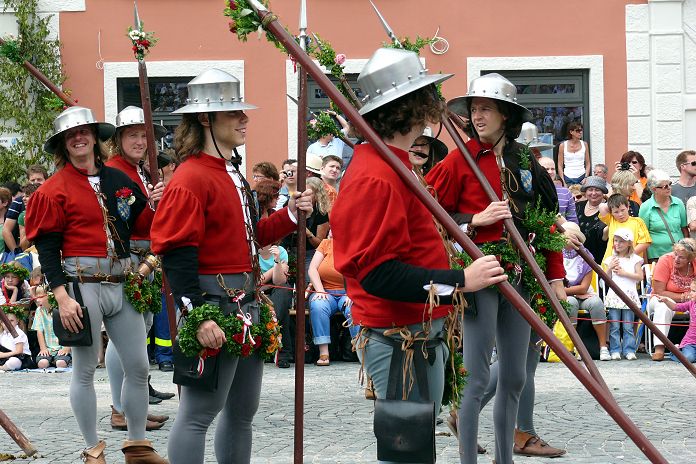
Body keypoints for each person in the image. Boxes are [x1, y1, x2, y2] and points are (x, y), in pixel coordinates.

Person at [331, 48, 506, 463]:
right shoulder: (376, 175)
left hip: (417, 333)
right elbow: (378, 273)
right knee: (405, 454)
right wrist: (462, 280)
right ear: (408, 107)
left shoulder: (394, 163)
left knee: (415, 450)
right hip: (397, 340)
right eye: (425, 95)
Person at [149, 68, 313, 464]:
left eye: (242, 111)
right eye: (232, 113)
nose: (244, 119)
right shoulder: (190, 178)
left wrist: (290, 214)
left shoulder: (234, 173)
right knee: (198, 414)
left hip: (246, 306)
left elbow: (249, 236)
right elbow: (176, 252)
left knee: (242, 414)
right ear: (205, 119)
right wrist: (198, 315)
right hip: (212, 305)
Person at [426, 72, 562, 464]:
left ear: (505, 114)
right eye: (473, 108)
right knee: (477, 377)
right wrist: (474, 219)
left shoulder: (525, 161)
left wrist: (555, 276)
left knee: (516, 377)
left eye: (486, 108)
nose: (477, 115)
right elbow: (430, 215)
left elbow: (543, 221)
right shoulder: (458, 160)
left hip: (521, 276)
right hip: (480, 275)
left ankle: (505, 460)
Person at [25, 105, 165, 463]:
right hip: (80, 286)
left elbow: (141, 226)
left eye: (84, 131)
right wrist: (61, 297)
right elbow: (48, 249)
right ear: (63, 144)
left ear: (95, 136)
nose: (79, 137)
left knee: (138, 366)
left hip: (121, 281)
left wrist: (156, 205)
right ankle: (93, 450)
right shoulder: (53, 190)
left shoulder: (120, 181)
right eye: (71, 135)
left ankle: (137, 447)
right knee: (85, 370)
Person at [104, 105, 171, 431]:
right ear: (119, 139)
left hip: (148, 257)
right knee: (124, 337)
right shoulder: (116, 171)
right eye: (133, 134)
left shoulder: (140, 170)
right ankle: (121, 408)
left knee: (138, 332)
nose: (140, 141)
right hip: (130, 259)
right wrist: (153, 204)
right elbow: (126, 221)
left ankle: (132, 406)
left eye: (144, 135)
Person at [308, 233, 359, 366]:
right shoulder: (325, 243)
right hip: (326, 292)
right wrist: (319, 290)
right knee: (318, 305)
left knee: (353, 307)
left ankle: (360, 349)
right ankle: (323, 353)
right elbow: (312, 269)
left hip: (347, 292)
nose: (331, 231)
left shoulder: (354, 244)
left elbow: (360, 271)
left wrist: (352, 292)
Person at [563, 223, 610, 361]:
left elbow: (584, 287)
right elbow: (557, 287)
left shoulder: (586, 257)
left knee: (596, 303)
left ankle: (603, 347)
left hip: (584, 294)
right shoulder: (556, 256)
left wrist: (573, 291)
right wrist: (575, 292)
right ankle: (572, 347)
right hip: (567, 296)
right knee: (570, 303)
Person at [647, 238, 696, 361]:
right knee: (663, 307)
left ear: (690, 259)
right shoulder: (665, 260)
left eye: (682, 257)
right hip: (663, 298)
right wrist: (683, 297)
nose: (676, 259)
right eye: (675, 254)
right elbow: (659, 291)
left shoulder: (694, 263)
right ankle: (659, 347)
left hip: (691, 300)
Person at [602, 228, 643, 360]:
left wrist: (624, 273)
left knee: (628, 325)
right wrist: (610, 267)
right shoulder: (611, 259)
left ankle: (629, 349)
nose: (617, 244)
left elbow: (639, 276)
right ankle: (615, 349)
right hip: (614, 296)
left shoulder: (635, 259)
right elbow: (605, 279)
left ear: (629, 243)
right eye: (616, 241)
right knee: (614, 325)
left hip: (629, 295)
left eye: (621, 241)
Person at [639, 169, 687, 263]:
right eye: (665, 186)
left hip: (678, 255)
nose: (669, 188)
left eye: (670, 184)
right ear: (654, 189)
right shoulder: (646, 207)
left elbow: (684, 229)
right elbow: (643, 237)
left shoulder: (678, 203)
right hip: (656, 256)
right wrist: (645, 263)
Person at [2, 164, 48, 254]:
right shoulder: (19, 204)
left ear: (46, 180)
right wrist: (17, 254)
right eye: (32, 180)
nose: (35, 182)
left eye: (39, 179)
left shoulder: (52, 201)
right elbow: (6, 230)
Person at [599, 193, 651, 264]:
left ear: (628, 207)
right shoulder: (611, 220)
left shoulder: (638, 221)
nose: (620, 214)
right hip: (611, 263)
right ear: (611, 213)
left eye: (622, 210)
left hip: (631, 263)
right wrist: (613, 201)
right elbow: (601, 206)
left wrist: (627, 255)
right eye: (616, 212)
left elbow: (645, 242)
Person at [654, 280, 696, 362]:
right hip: (690, 342)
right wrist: (666, 301)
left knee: (691, 357)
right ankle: (674, 352)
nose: (690, 293)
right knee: (689, 358)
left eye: (694, 291)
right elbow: (675, 307)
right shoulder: (691, 303)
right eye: (691, 290)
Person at [31, 285, 71, 368]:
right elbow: (39, 331)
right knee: (42, 363)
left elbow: (70, 329)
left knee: (61, 363)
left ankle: (64, 360)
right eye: (36, 298)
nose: (37, 300)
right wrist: (43, 348)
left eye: (41, 297)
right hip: (48, 348)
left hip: (63, 347)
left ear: (51, 296)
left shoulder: (62, 309)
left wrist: (67, 348)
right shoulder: (40, 310)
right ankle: (51, 360)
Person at [576, 176, 609, 264]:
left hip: (599, 259)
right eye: (590, 189)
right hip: (577, 258)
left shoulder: (608, 209)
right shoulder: (578, 206)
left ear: (603, 192)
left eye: (597, 190)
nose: (593, 193)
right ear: (585, 192)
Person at [539, 157, 578, 223]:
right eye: (546, 169)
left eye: (553, 169)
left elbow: (573, 220)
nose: (550, 172)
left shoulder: (566, 192)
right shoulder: (533, 191)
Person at [557, 121, 590, 185]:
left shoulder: (584, 144)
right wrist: (563, 181)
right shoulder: (563, 145)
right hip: (568, 177)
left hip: (582, 176)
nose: (580, 132)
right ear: (571, 132)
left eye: (581, 130)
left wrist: (586, 177)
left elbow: (588, 163)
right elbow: (559, 165)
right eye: (578, 130)